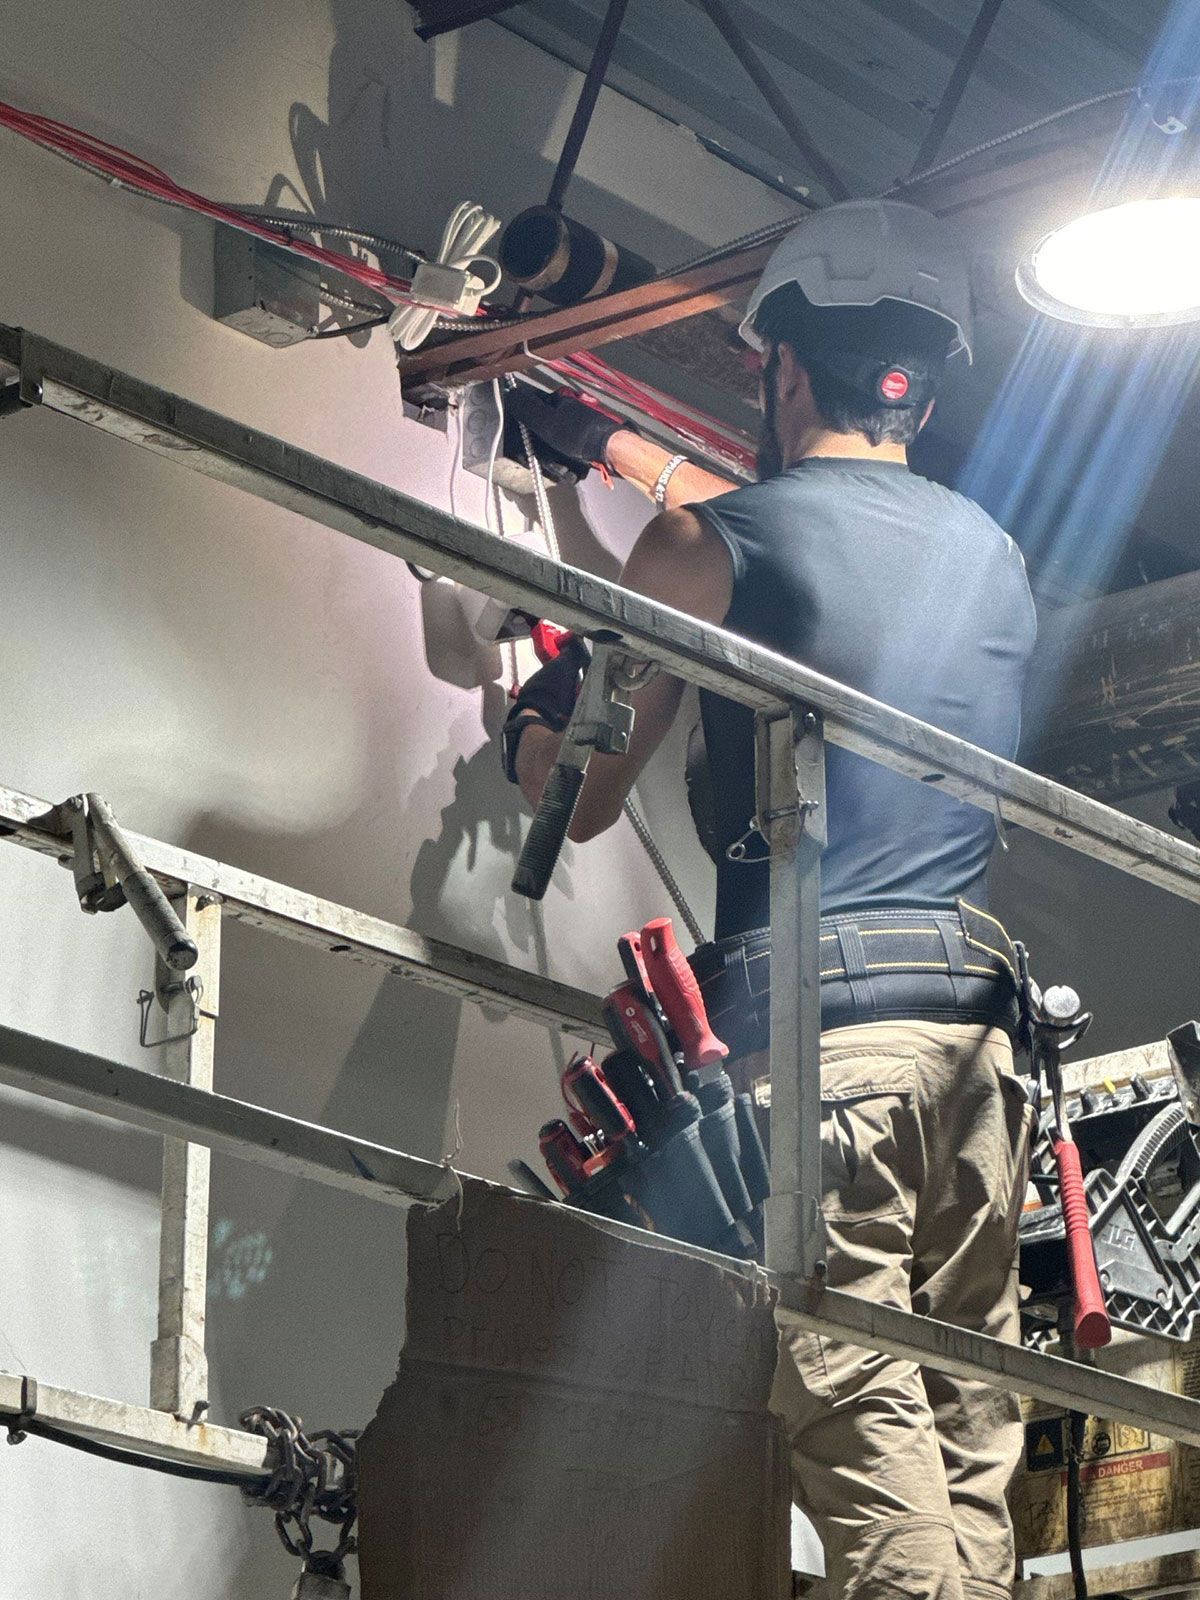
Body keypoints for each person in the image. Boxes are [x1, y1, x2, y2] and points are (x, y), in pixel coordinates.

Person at [501, 199, 1038, 1600]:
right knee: (967, 1433)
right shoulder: (994, 557)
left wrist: (530, 717)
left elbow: (590, 792)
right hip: (979, 1052)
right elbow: (822, 554)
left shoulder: (712, 543)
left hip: (833, 1041)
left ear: (788, 366)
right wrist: (620, 457)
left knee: (854, 1408)